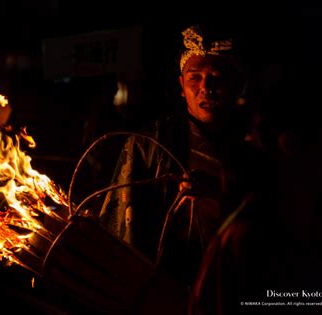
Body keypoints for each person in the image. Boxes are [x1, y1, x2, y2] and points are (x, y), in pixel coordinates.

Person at [96, 23, 275, 313]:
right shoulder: (148, 145)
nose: (206, 87)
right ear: (182, 86)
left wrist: (220, 192)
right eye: (195, 77)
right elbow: (123, 232)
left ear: (237, 84)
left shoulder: (258, 146)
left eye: (216, 77)